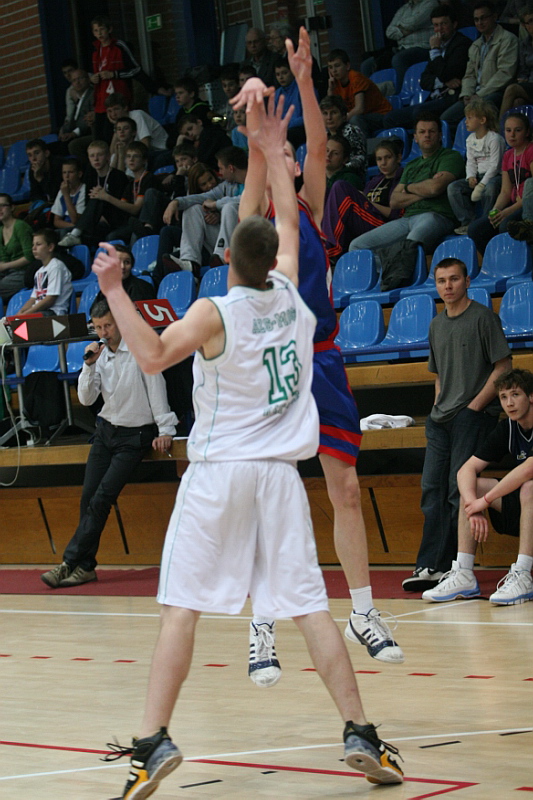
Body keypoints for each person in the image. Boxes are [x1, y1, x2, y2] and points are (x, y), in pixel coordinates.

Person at [93, 91, 404, 799]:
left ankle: (153, 740)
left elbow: (151, 357)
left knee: (181, 608)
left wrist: (113, 289)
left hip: (219, 475)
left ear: (228, 255)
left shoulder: (213, 311)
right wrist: (267, 146)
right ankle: (360, 732)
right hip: (279, 479)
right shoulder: (293, 296)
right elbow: (288, 221)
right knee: (310, 608)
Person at [233, 28, 405, 680]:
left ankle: (362, 611)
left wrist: (304, 81)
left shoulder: (309, 204)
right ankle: (261, 625)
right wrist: (258, 124)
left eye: (293, 152)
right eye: (281, 152)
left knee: (347, 490)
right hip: (274, 364)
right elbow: (261, 164)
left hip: (324, 359)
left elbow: (319, 142)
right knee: (269, 498)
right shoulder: (254, 216)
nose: (291, 156)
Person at [41, 296, 177, 590]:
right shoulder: (99, 355)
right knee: (88, 498)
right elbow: (86, 399)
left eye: (108, 326)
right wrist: (88, 366)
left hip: (134, 436)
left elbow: (157, 388)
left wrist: (165, 428)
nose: (104, 332)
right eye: (99, 327)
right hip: (105, 432)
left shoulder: (139, 348)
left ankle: (69, 562)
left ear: (119, 323)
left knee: (102, 499)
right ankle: (86, 567)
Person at [402, 257, 511, 592]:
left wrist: (474, 406)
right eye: (441, 281)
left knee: (456, 489)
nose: (447, 286)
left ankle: (455, 567)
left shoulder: (483, 318)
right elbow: (438, 375)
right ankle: (430, 566)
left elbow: (504, 367)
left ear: (467, 281)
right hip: (441, 419)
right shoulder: (436, 325)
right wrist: (437, 406)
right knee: (431, 489)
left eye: (453, 279)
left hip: (473, 416)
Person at [422, 367, 533, 606]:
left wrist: (484, 501)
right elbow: (465, 469)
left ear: (531, 396)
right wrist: (472, 506)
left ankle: (524, 574)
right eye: (503, 397)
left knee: (529, 487)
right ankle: (464, 573)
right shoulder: (508, 428)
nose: (509, 403)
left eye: (515, 395)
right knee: (471, 486)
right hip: (526, 508)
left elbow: (528, 469)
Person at [349, 113, 465, 281]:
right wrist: (424, 190)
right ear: (415, 137)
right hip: (407, 219)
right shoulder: (411, 166)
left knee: (410, 243)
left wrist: (409, 188)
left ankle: (398, 275)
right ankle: (392, 268)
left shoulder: (450, 157)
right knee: (356, 246)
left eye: (432, 131)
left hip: (437, 216)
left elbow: (435, 188)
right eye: (422, 132)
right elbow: (395, 201)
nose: (427, 135)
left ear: (440, 135)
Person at [380, 4, 471, 130]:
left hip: (451, 99)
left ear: (454, 24)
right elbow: (424, 80)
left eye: (443, 24)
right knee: (390, 118)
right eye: (436, 25)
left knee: (420, 113)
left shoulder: (462, 44)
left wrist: (435, 50)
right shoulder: (438, 46)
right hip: (434, 98)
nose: (439, 29)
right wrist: (443, 82)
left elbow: (446, 74)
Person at [440, 2, 519, 133]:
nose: (480, 22)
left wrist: (479, 95)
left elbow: (505, 74)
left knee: (476, 118)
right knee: (445, 119)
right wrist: (466, 94)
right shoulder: (475, 45)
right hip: (475, 95)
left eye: (483, 18)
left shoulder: (508, 39)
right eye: (476, 19)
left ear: (494, 17)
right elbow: (469, 75)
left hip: (496, 92)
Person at [322, 137, 404, 262]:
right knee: (324, 193)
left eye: (388, 157)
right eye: (379, 159)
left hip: (385, 225)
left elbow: (396, 215)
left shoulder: (402, 180)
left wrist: (369, 202)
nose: (383, 163)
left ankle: (331, 249)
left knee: (340, 187)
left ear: (398, 158)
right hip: (366, 221)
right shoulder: (374, 181)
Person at [169, 146, 247, 275]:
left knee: (229, 207)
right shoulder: (228, 185)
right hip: (230, 241)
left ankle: (222, 258)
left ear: (231, 168)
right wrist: (176, 202)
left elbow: (247, 199)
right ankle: (190, 262)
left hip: (250, 239)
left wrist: (216, 204)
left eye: (221, 168)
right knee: (193, 209)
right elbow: (203, 197)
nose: (220, 173)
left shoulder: (258, 180)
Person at [467, 111, 533, 254]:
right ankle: (494, 261)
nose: (512, 135)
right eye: (508, 130)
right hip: (513, 205)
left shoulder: (531, 150)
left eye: (518, 130)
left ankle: (519, 260)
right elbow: (505, 191)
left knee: (505, 225)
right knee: (475, 229)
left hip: (527, 205)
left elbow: (532, 190)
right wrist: (495, 211)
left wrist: (507, 211)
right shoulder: (508, 155)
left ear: (527, 132)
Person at [447, 99, 506, 234]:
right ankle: (468, 222)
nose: (465, 121)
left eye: (469, 118)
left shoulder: (495, 139)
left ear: (482, 120)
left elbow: (495, 165)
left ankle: (487, 223)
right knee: (453, 188)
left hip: (495, 176)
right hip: (478, 177)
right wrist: (471, 177)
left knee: (490, 188)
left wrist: (482, 185)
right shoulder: (470, 140)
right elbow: (471, 162)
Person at [58, 140, 129, 248]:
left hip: (116, 221)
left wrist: (104, 197)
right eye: (92, 156)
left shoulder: (118, 176)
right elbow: (88, 207)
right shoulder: (90, 177)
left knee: (98, 197)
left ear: (108, 156)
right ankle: (74, 238)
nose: (96, 159)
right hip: (98, 223)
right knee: (64, 233)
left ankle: (75, 234)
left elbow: (122, 207)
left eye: (99, 155)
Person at [361, 0, 435, 86]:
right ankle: (370, 93)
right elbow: (389, 32)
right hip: (402, 48)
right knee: (367, 65)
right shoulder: (404, 8)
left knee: (399, 59)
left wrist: (399, 27)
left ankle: (401, 92)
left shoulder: (431, 3)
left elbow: (413, 23)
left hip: (423, 47)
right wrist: (406, 29)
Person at [326, 49, 392, 136]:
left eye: (337, 66)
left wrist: (341, 120)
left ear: (347, 66)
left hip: (381, 114)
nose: (334, 70)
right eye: (330, 67)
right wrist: (330, 89)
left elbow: (359, 109)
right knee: (329, 123)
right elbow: (330, 109)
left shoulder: (356, 78)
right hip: (362, 116)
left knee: (354, 120)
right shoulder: (335, 83)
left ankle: (362, 145)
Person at [16, 229, 72, 316]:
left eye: (38, 244)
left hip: (54, 313)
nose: (34, 248)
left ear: (50, 247)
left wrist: (26, 314)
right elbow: (33, 299)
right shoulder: (39, 272)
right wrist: (19, 314)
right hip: (40, 313)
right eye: (33, 245)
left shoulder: (56, 267)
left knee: (25, 322)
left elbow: (50, 299)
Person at [319, 96, 366, 182]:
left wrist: (336, 170)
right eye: (325, 113)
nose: (329, 117)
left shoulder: (352, 131)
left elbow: (359, 159)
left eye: (333, 113)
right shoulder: (324, 136)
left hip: (350, 179)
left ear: (344, 116)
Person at [499, 3, 533, 118]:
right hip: (529, 85)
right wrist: (522, 79)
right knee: (517, 103)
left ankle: (499, 126)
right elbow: (523, 70)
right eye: (529, 22)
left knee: (512, 89)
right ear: (524, 25)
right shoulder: (524, 44)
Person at [0, 193, 34, 301]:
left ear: (12, 207)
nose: (0, 209)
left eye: (3, 205)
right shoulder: (0, 230)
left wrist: (5, 266)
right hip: (8, 272)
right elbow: (4, 258)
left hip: (24, 272)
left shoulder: (20, 226)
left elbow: (30, 256)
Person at [51, 158, 87, 233]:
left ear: (79, 174)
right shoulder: (62, 191)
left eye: (70, 172)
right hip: (68, 226)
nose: (67, 176)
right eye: (64, 172)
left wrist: (66, 195)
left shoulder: (84, 190)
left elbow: (76, 220)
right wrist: (73, 226)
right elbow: (56, 221)